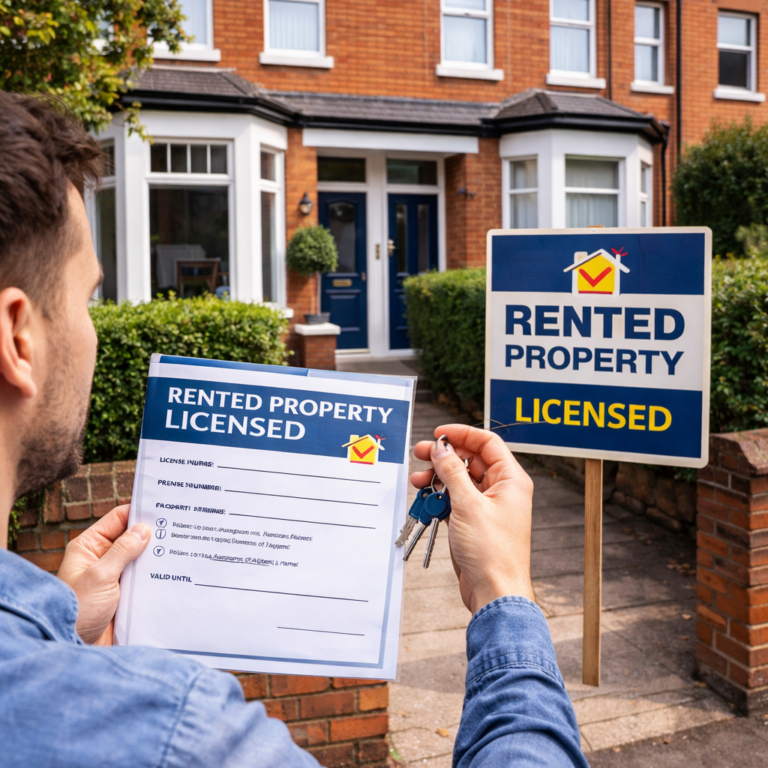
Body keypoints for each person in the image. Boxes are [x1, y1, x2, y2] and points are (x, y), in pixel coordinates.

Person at [0, 92, 588, 767]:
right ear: (20, 337)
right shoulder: (178, 734)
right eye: (88, 298)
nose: (93, 328)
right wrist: (505, 592)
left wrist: (63, 633)